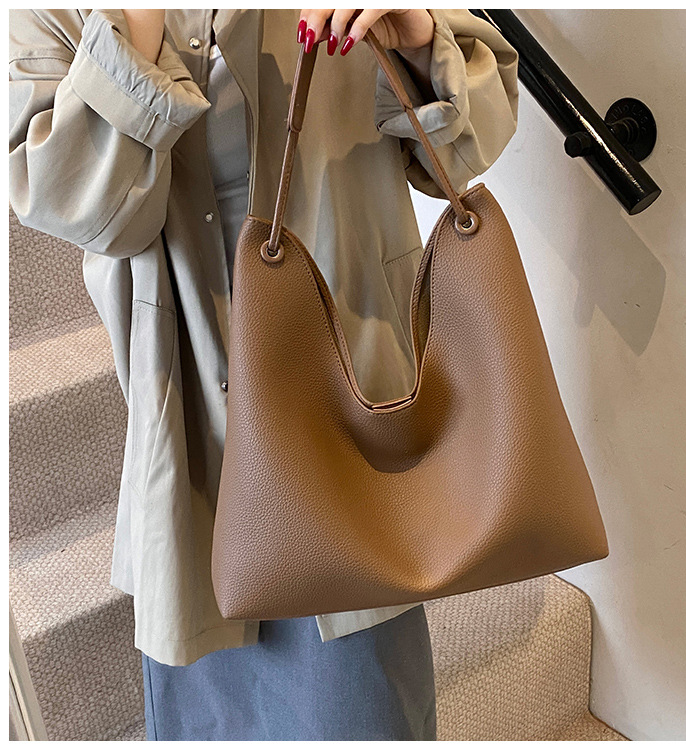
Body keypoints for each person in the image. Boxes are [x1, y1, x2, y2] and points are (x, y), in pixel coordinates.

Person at [9, 8, 519, 741]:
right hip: (190, 412)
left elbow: (471, 142)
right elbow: (75, 207)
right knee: (215, 698)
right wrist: (135, 32)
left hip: (348, 387)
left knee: (359, 700)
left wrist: (415, 35)